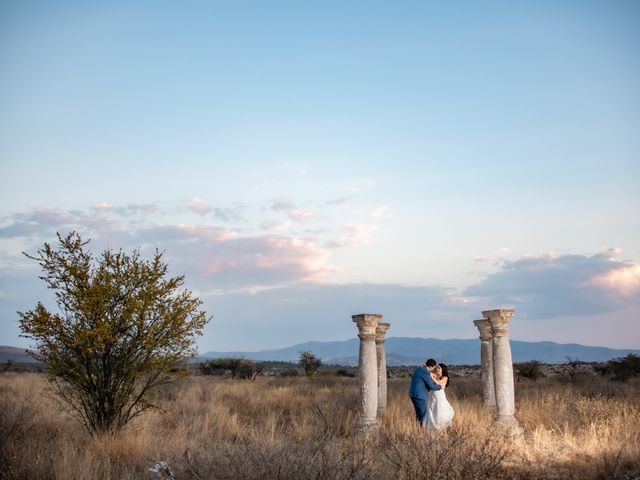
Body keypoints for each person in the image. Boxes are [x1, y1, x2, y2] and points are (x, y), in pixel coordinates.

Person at [408, 358, 441, 428]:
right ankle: (423, 433)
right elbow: (431, 386)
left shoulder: (419, 368)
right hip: (420, 395)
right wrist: (440, 386)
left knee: (418, 415)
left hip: (413, 394)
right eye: (434, 367)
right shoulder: (425, 371)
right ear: (431, 366)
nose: (434, 369)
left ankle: (418, 431)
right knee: (424, 416)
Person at [427, 363, 455, 430]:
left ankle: (442, 427)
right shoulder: (435, 376)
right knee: (433, 411)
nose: (437, 369)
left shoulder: (445, 378)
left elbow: (438, 383)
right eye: (436, 368)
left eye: (439, 368)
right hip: (434, 397)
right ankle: (434, 428)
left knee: (440, 411)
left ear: (443, 369)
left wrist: (432, 377)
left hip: (440, 397)